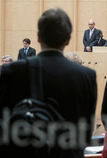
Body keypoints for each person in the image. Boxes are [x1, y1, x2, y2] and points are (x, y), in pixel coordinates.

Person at [0, 8, 97, 157]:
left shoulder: (12, 70)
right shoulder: (86, 75)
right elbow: (85, 132)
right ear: (68, 39)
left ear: (38, 37)